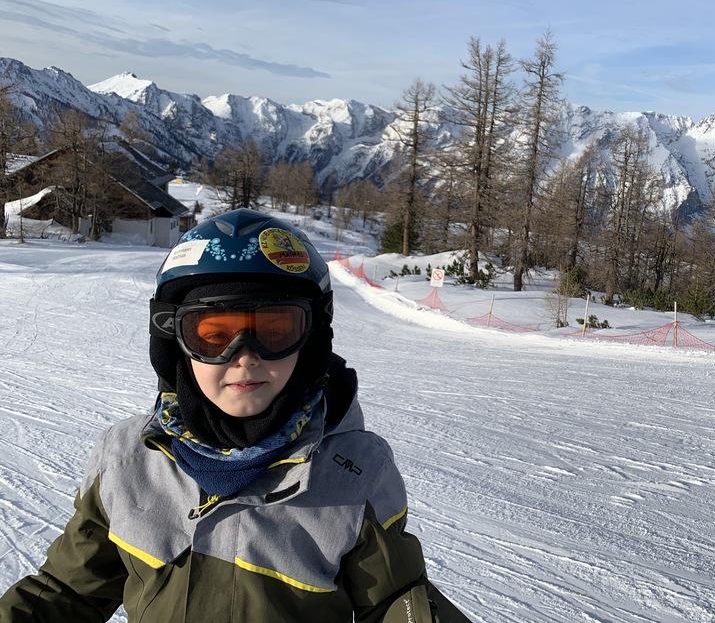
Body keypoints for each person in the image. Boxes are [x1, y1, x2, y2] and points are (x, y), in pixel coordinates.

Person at [0, 208, 471, 622]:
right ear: (174, 346)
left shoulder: (353, 472)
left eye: (274, 330)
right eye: (213, 334)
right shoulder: (128, 460)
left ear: (311, 343)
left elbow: (396, 600)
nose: (244, 356)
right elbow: (64, 594)